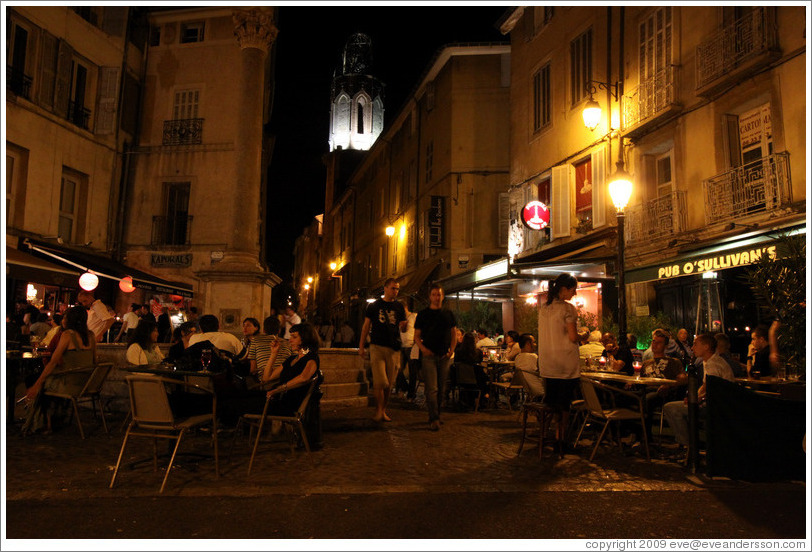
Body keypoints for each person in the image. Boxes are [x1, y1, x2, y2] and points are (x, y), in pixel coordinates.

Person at [21, 306, 96, 435]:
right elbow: (94, 360)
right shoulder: (91, 335)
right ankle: (54, 418)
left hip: (69, 384)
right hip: (86, 384)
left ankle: (43, 423)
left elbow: (53, 362)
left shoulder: (67, 335)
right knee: (44, 380)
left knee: (38, 381)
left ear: (69, 319)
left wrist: (37, 385)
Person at [662, 334, 735, 458]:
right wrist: (694, 396)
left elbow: (713, 388)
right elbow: (706, 385)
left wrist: (696, 398)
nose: (692, 347)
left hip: (718, 406)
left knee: (671, 408)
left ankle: (687, 446)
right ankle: (687, 444)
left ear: (706, 347)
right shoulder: (709, 361)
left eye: (696, 344)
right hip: (716, 403)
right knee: (675, 407)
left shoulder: (713, 364)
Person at [538, 273, 580, 450]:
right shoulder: (568, 309)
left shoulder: (543, 308)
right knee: (564, 404)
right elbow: (572, 336)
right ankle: (560, 439)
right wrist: (582, 336)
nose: (575, 293)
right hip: (566, 364)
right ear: (564, 289)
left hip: (548, 363)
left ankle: (545, 436)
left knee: (551, 402)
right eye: (573, 289)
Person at [359, 278, 407, 422]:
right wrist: (361, 346)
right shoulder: (374, 306)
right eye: (393, 288)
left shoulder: (399, 307)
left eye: (397, 289)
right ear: (385, 288)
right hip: (377, 346)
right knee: (381, 381)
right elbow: (366, 326)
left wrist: (404, 325)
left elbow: (402, 328)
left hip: (393, 348)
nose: (395, 291)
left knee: (389, 384)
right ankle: (379, 409)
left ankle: (382, 410)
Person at [414, 284, 457, 431]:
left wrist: (451, 350)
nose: (436, 297)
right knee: (432, 388)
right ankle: (434, 418)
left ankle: (436, 414)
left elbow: (454, 334)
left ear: (442, 296)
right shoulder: (423, 314)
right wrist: (423, 350)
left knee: (441, 387)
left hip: (444, 355)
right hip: (429, 356)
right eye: (434, 294)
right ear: (429, 297)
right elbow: (417, 336)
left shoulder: (448, 314)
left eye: (439, 294)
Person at [247, 316, 292, 385]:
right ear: (279, 330)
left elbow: (252, 369)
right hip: (286, 379)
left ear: (264, 330)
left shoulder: (255, 340)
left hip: (266, 381)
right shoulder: (287, 343)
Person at [453, 332, 489, 406]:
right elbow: (480, 361)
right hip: (476, 379)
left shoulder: (458, 351)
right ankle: (485, 397)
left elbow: (455, 362)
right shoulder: (478, 353)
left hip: (460, 379)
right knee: (484, 376)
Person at [395, 297, 418, 399]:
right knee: (398, 369)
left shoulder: (414, 316)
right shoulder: (399, 319)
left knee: (413, 371)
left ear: (405, 307)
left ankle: (411, 393)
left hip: (412, 346)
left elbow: (418, 330)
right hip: (402, 346)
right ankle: (405, 387)